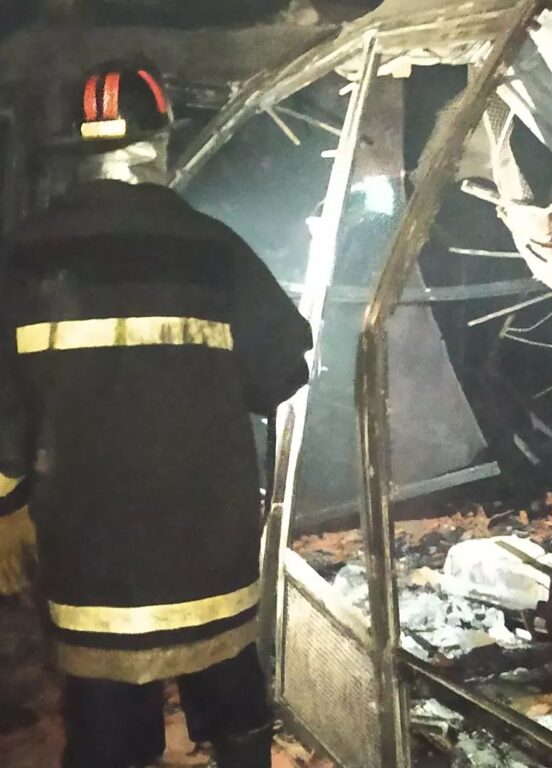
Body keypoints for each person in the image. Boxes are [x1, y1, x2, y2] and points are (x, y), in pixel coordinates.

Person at [0, 60, 312, 768]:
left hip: (91, 552)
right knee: (232, 693)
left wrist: (9, 496)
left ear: (80, 155)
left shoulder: (22, 257)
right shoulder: (212, 248)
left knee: (105, 715)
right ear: (161, 146)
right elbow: (281, 366)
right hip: (206, 540)